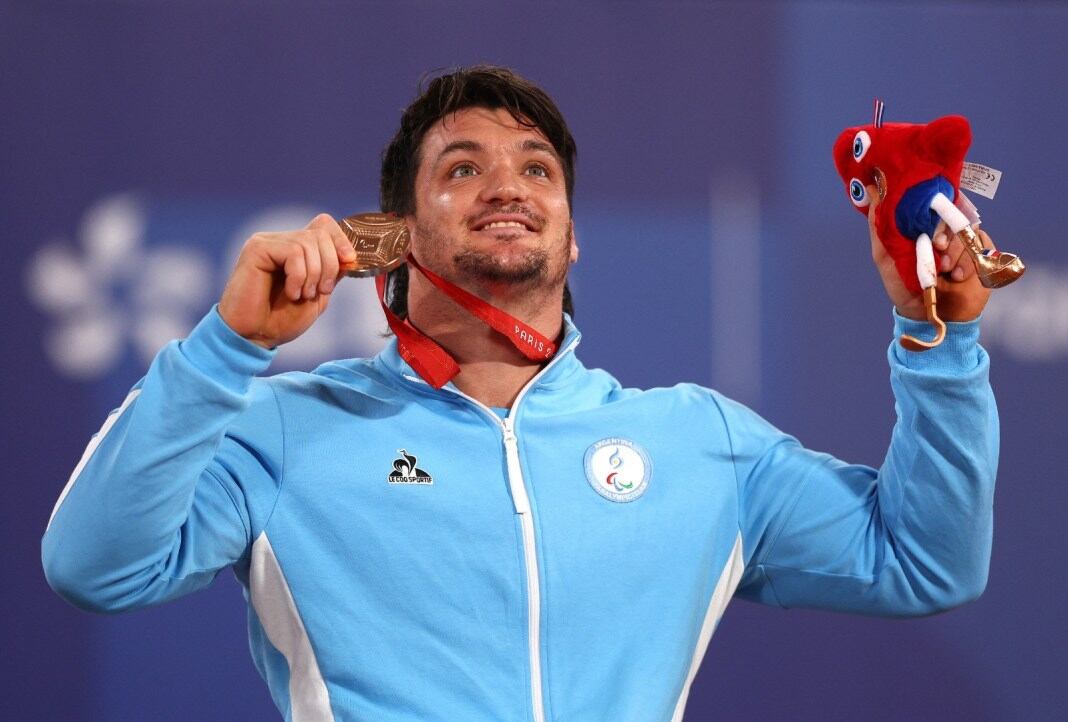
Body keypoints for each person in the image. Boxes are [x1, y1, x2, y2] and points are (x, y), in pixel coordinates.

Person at [42, 66, 998, 722]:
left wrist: (941, 338)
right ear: (395, 235)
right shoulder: (287, 430)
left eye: (537, 168)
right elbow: (95, 565)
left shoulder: (699, 443)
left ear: (573, 236)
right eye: (463, 168)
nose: (509, 185)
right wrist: (224, 350)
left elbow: (923, 562)